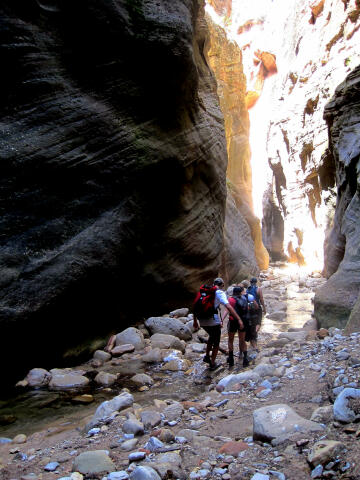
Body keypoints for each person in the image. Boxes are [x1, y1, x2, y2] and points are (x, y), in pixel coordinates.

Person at [193, 277, 243, 371]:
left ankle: (207, 356)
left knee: (211, 336)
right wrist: (239, 319)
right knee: (216, 341)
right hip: (212, 320)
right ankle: (212, 364)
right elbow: (228, 306)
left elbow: (195, 306)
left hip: (201, 320)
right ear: (222, 285)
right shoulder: (219, 292)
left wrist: (195, 321)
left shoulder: (204, 291)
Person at [227, 286, 250, 367]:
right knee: (242, 340)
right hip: (243, 322)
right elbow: (247, 309)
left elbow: (228, 310)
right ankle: (245, 359)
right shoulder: (244, 299)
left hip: (233, 321)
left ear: (233, 292)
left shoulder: (231, 300)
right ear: (240, 292)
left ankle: (231, 359)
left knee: (230, 340)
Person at [246, 277, 266, 351]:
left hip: (249, 308)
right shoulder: (259, 289)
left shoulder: (247, 289)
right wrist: (264, 308)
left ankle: (253, 336)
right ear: (256, 282)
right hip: (257, 308)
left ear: (250, 282)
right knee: (258, 322)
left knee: (252, 323)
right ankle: (254, 334)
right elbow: (261, 299)